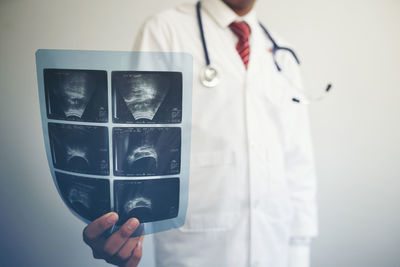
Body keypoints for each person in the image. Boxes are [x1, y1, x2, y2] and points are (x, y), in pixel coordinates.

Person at [82, 0, 318, 266]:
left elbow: (298, 162)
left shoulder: (282, 54)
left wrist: (299, 250)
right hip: (197, 249)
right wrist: (123, 226)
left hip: (275, 245)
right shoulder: (166, 30)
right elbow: (137, 139)